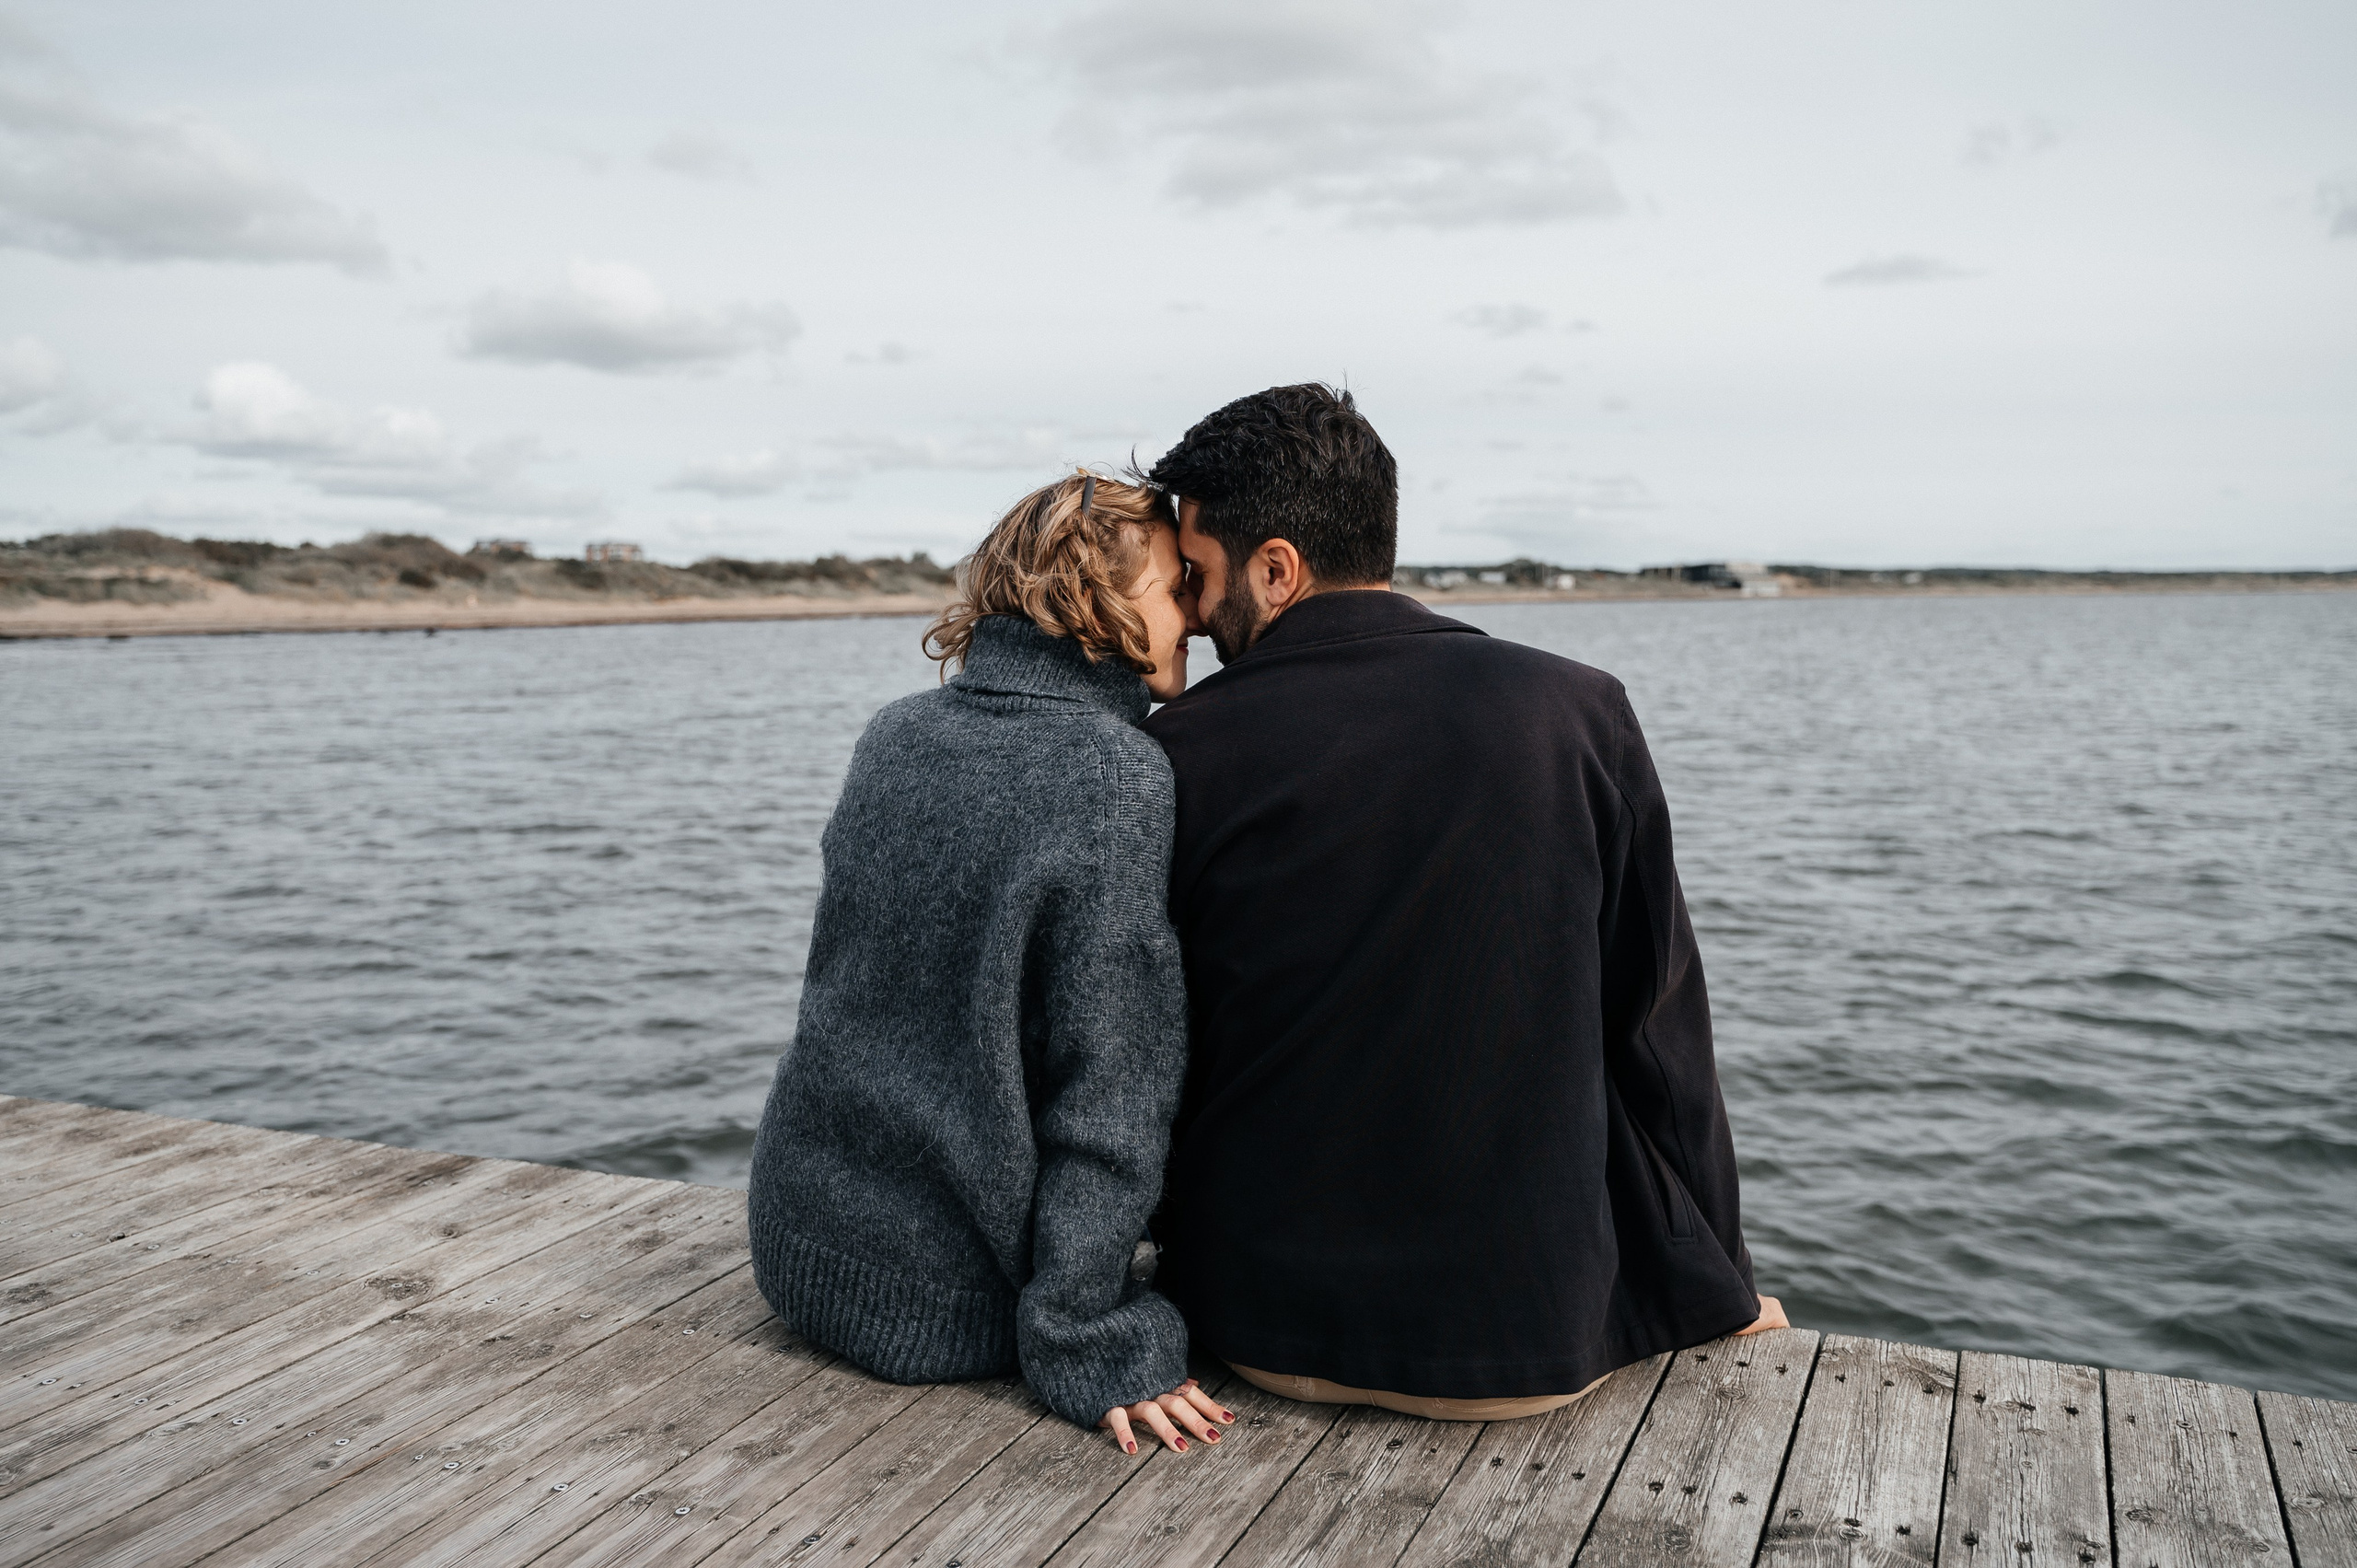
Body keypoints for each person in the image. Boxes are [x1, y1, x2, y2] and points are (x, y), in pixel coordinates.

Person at [1142, 384, 1786, 1422]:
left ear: (1275, 567)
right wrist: (1724, 1280)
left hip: (1252, 1330)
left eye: (1198, 575)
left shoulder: (1173, 750)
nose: (1193, 613)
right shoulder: (1576, 709)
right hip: (1536, 1343)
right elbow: (1660, 1038)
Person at [746, 471, 1232, 1456]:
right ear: (1091, 591)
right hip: (944, 1300)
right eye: (1177, 584)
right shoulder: (1112, 772)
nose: (1200, 614)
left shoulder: (896, 730)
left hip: (797, 1246)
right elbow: (1115, 1083)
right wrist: (1089, 1332)